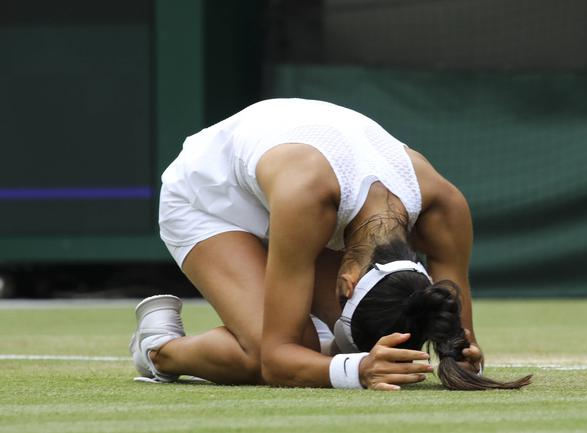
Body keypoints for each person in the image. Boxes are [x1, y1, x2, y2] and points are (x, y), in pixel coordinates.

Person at [130, 98, 531, 390]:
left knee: (323, 352)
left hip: (298, 181)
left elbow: (459, 331)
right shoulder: (307, 199)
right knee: (277, 353)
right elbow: (277, 361)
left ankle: (330, 337)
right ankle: (159, 350)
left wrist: (462, 355)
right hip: (209, 196)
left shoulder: (444, 207)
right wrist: (356, 370)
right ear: (348, 281)